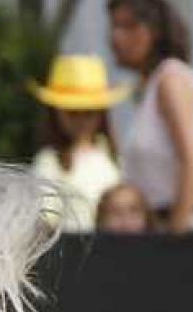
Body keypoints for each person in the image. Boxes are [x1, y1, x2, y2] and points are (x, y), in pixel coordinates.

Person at [106, 0, 193, 233]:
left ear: (155, 31)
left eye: (128, 26)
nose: (116, 38)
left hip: (187, 228)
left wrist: (173, 239)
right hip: (158, 227)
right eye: (114, 26)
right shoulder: (147, 88)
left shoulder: (171, 80)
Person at [26, 55, 128, 233]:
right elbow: (45, 222)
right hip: (74, 252)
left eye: (89, 112)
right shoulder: (49, 161)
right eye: (72, 112)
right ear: (56, 113)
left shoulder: (113, 155)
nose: (81, 120)